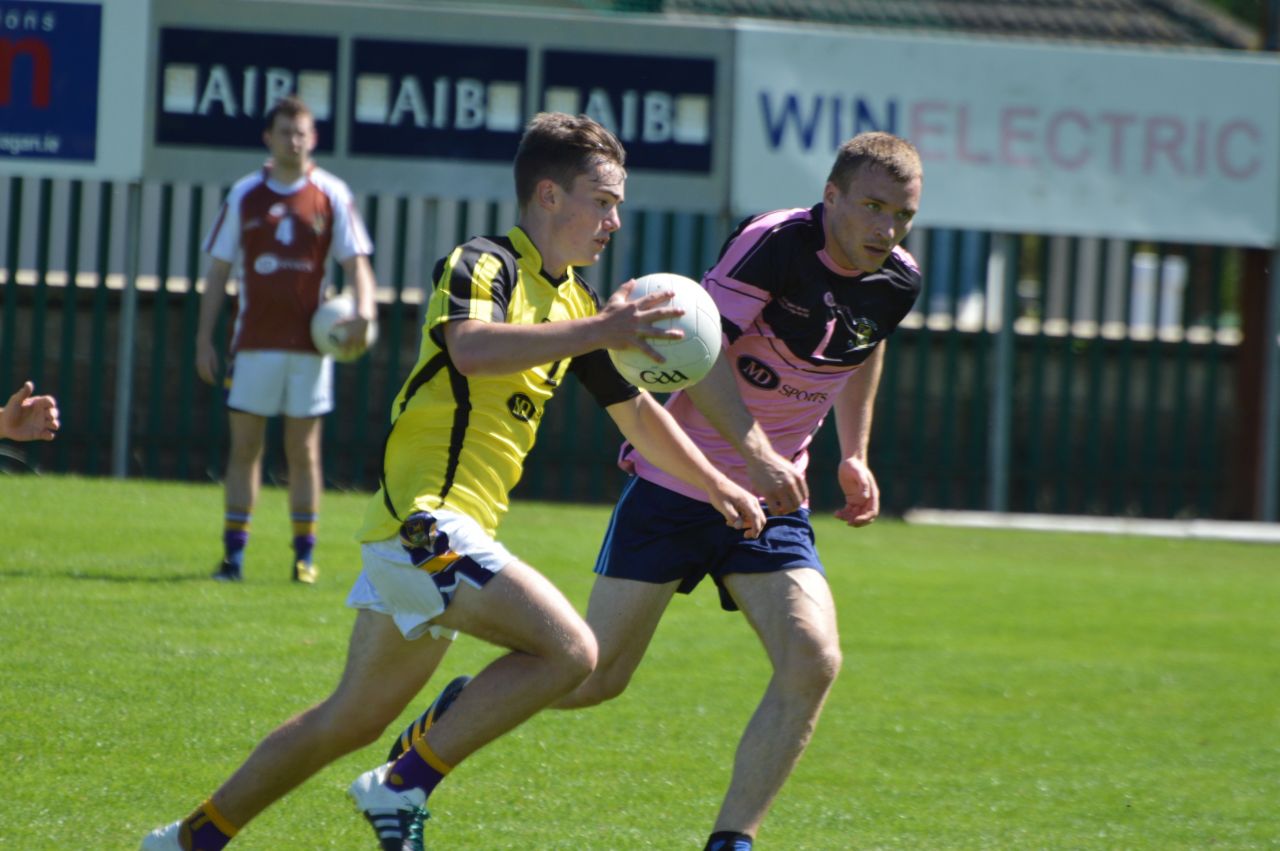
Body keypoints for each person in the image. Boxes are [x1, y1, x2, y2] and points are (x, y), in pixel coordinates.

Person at [141, 111, 765, 851]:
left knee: (349, 718)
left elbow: (638, 416)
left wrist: (719, 483)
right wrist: (601, 331)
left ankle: (188, 838)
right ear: (549, 196)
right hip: (424, 521)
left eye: (617, 203)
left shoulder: (575, 303)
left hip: (442, 534)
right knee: (572, 651)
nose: (614, 220)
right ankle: (402, 781)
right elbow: (471, 349)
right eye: (602, 200)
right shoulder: (483, 262)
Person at [390, 131, 925, 849]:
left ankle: (732, 839)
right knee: (590, 677)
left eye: (902, 215)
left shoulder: (898, 276)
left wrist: (853, 454)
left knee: (813, 658)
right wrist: (753, 451)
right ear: (831, 197)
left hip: (770, 497)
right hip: (677, 481)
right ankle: (447, 721)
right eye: (872, 207)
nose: (887, 229)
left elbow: (865, 342)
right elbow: (698, 355)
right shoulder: (772, 244)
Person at [195, 94, 376, 585]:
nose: (293, 141)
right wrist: (202, 339)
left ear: (312, 139)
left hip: (311, 351)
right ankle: (233, 556)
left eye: (301, 133)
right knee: (245, 449)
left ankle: (304, 557)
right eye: (284, 132)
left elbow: (357, 262)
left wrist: (365, 311)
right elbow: (217, 273)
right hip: (252, 345)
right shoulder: (246, 194)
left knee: (304, 453)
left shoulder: (331, 194)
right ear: (268, 138)